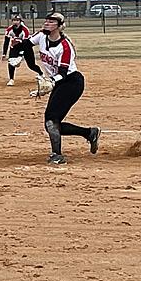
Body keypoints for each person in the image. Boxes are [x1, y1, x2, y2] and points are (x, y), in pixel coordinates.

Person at [28, 11, 99, 165]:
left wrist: (51, 82)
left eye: (51, 22)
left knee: (51, 121)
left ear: (59, 26)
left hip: (72, 82)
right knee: (51, 124)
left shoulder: (65, 47)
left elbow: (63, 73)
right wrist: (16, 44)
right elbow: (26, 44)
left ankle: (57, 155)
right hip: (60, 83)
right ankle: (89, 133)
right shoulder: (41, 36)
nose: (47, 23)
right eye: (46, 20)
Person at [0, 13, 47, 86]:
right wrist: (4, 53)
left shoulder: (25, 30)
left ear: (20, 21)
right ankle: (11, 79)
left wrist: (20, 55)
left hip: (26, 47)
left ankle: (41, 74)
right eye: (14, 20)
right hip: (14, 47)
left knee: (31, 65)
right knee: (11, 62)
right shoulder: (9, 30)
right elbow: (6, 42)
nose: (15, 22)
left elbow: (26, 43)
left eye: (17, 20)